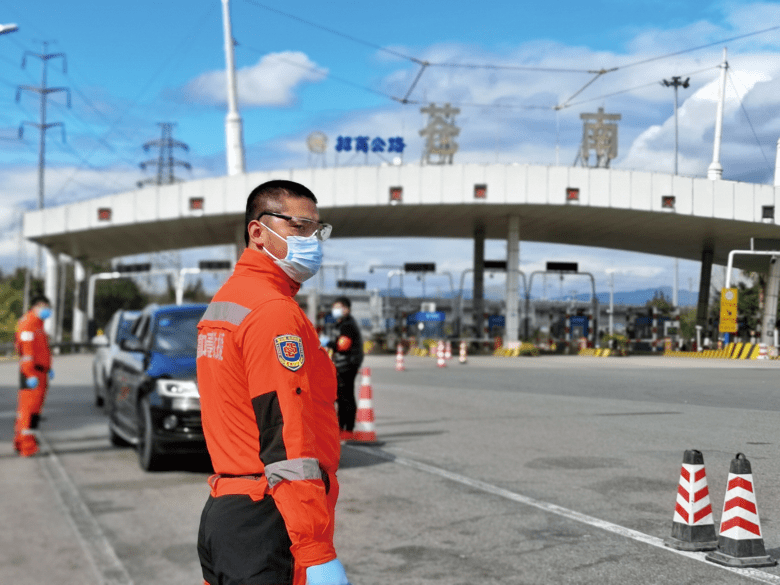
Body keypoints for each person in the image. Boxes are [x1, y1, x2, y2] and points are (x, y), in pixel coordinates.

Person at [196, 180, 351, 585]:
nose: (312, 240)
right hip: (267, 519)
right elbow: (286, 437)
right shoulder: (272, 311)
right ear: (258, 232)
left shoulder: (229, 300)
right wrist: (315, 550)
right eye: (298, 228)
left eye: (317, 230)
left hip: (227, 512)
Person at [14, 295, 53, 457]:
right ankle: (26, 446)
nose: (47, 310)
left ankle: (24, 441)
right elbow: (27, 353)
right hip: (32, 372)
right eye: (45, 307)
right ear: (37, 306)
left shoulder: (38, 324)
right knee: (29, 412)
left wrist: (48, 368)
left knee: (34, 411)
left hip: (40, 372)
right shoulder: (28, 323)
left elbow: (42, 349)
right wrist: (30, 374)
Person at [326, 297, 363, 441]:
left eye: (338, 307)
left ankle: (348, 428)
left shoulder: (348, 325)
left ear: (347, 309)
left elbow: (343, 345)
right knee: (341, 396)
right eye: (334, 307)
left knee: (346, 396)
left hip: (347, 364)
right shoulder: (340, 324)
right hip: (341, 364)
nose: (335, 310)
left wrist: (328, 343)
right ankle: (341, 426)